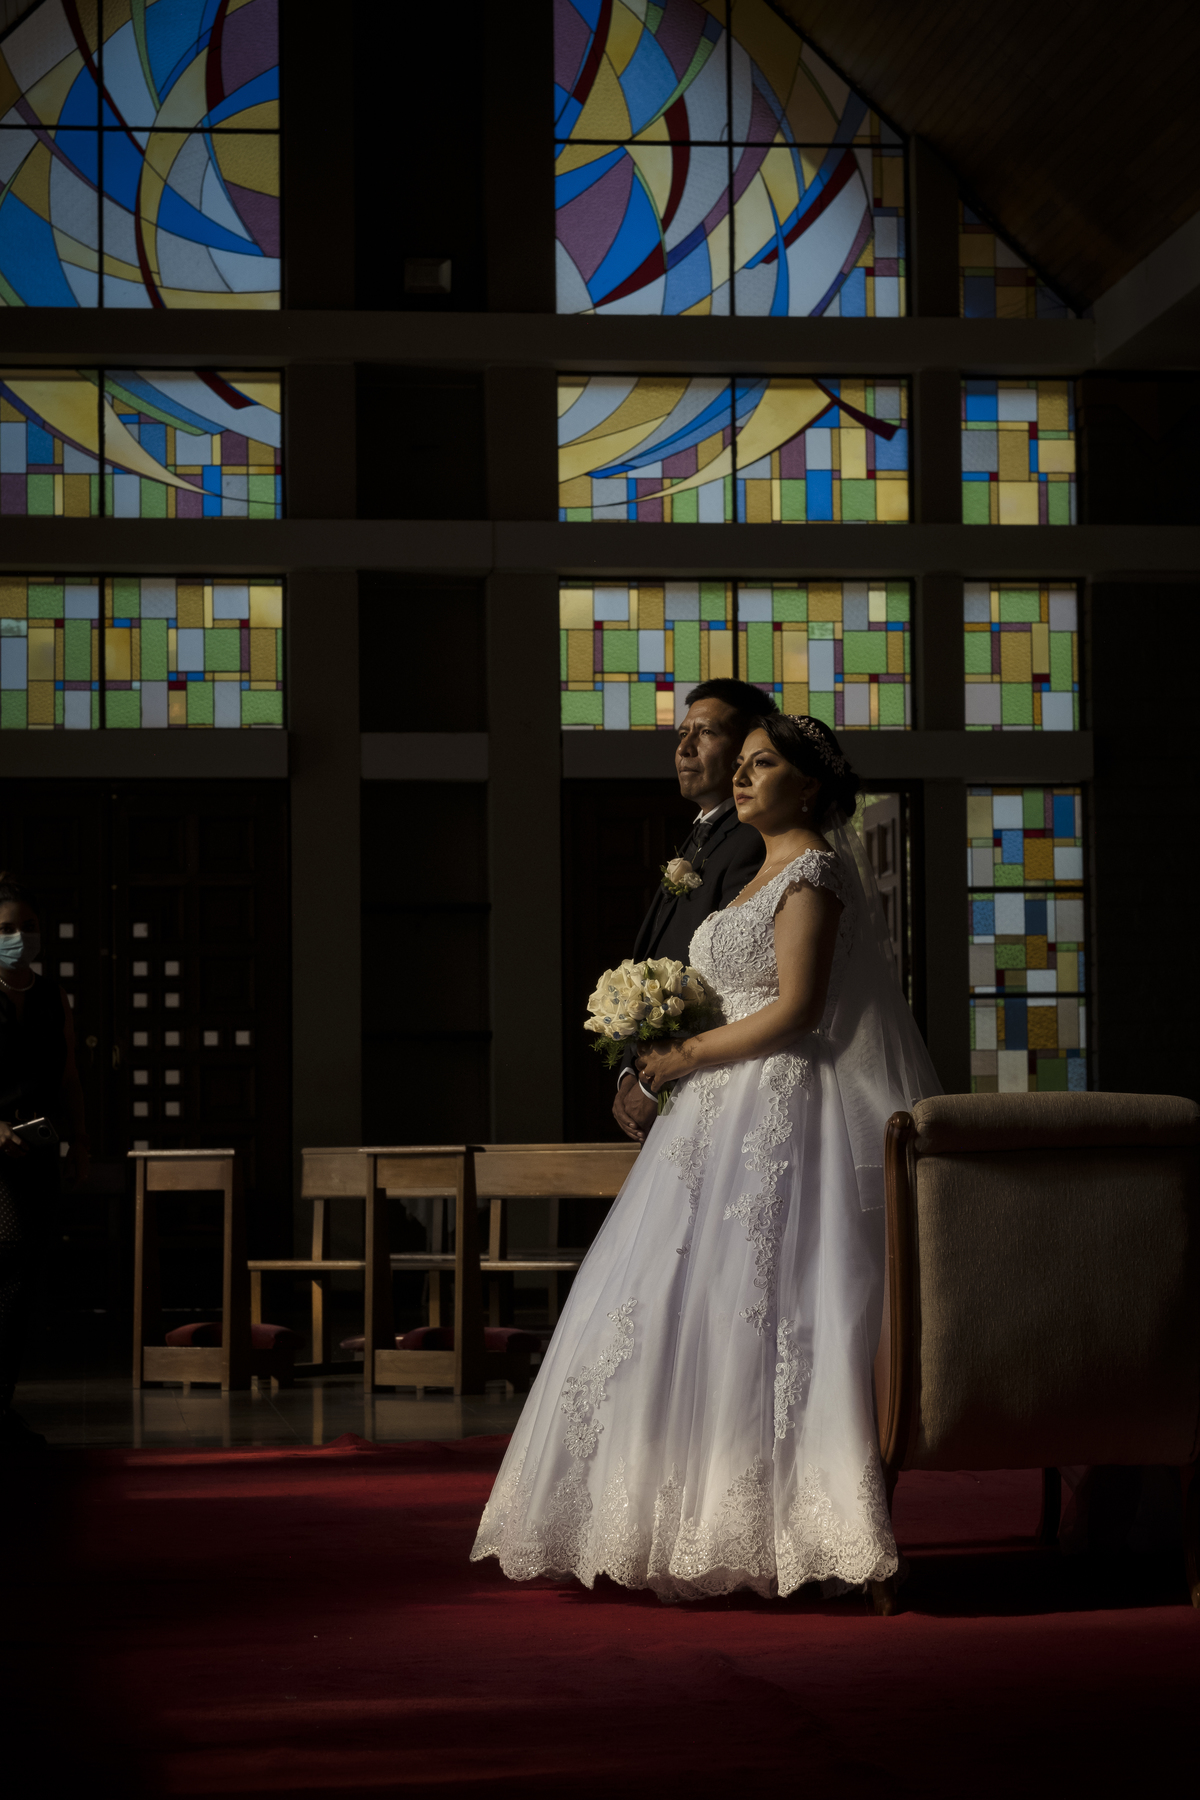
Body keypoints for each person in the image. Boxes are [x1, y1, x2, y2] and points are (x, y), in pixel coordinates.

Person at [472, 716, 940, 1601]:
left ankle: (785, 1524)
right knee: (685, 1304)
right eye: (746, 764)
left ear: (809, 787)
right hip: (710, 1118)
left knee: (774, 1304)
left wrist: (684, 1056)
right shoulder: (751, 874)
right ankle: (660, 1516)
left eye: (764, 765)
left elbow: (798, 1009)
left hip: (778, 1107)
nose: (743, 777)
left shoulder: (812, 870)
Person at [613, 678, 778, 1145]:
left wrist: (655, 1080)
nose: (685, 748)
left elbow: (728, 983)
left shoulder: (751, 842)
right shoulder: (702, 836)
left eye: (705, 733)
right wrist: (628, 1072)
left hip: (714, 1088)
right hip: (665, 1081)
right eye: (682, 733)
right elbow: (654, 965)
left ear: (744, 750)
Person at [0, 871, 89, 1451]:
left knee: (25, 1282)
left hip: (38, 1149)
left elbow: (69, 1076)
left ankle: (3, 1408)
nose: (17, 936)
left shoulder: (53, 996)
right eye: (6, 928)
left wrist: (81, 1141)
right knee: (4, 1265)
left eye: (27, 927)